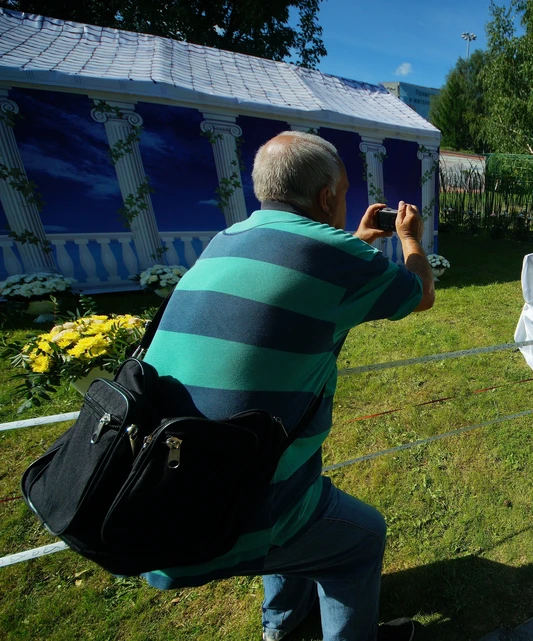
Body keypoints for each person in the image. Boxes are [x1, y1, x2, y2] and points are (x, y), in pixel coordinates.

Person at [141, 131, 435, 641]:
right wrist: (409, 237)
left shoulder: (225, 240)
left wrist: (359, 240)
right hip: (238, 502)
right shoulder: (334, 253)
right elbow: (420, 294)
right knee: (359, 541)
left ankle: (283, 627)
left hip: (165, 486)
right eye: (343, 192)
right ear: (326, 197)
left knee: (297, 504)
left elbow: (302, 279)